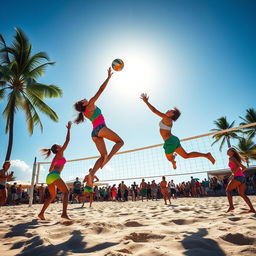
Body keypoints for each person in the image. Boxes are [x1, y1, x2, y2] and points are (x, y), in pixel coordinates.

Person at [140, 93, 215, 169]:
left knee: (169, 158)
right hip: (174, 140)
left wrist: (146, 102)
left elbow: (154, 110)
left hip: (170, 141)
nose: (169, 110)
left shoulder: (167, 118)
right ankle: (206, 155)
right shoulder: (168, 120)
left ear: (172, 115)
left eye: (171, 110)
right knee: (186, 155)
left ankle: (173, 161)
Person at [74, 68, 124, 175]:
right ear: (83, 104)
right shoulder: (90, 104)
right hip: (101, 128)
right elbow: (100, 90)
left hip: (94, 133)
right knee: (120, 142)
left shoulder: (85, 113)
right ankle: (108, 159)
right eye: (83, 100)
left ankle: (91, 175)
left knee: (102, 156)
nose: (85, 99)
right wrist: (108, 78)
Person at [38, 121, 72, 220]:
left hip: (49, 177)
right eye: (59, 145)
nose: (61, 145)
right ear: (57, 148)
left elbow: (49, 170)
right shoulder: (60, 152)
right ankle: (64, 214)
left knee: (52, 197)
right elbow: (68, 140)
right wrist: (69, 129)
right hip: (55, 175)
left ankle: (41, 213)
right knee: (66, 192)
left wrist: (55, 170)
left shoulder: (55, 158)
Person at [226, 147, 255, 213]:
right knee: (242, 194)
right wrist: (235, 174)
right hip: (242, 177)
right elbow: (243, 167)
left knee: (228, 190)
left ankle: (231, 206)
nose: (227, 151)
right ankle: (252, 209)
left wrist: (233, 175)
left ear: (232, 152)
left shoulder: (231, 158)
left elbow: (237, 166)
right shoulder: (235, 159)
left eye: (229, 150)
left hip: (238, 177)